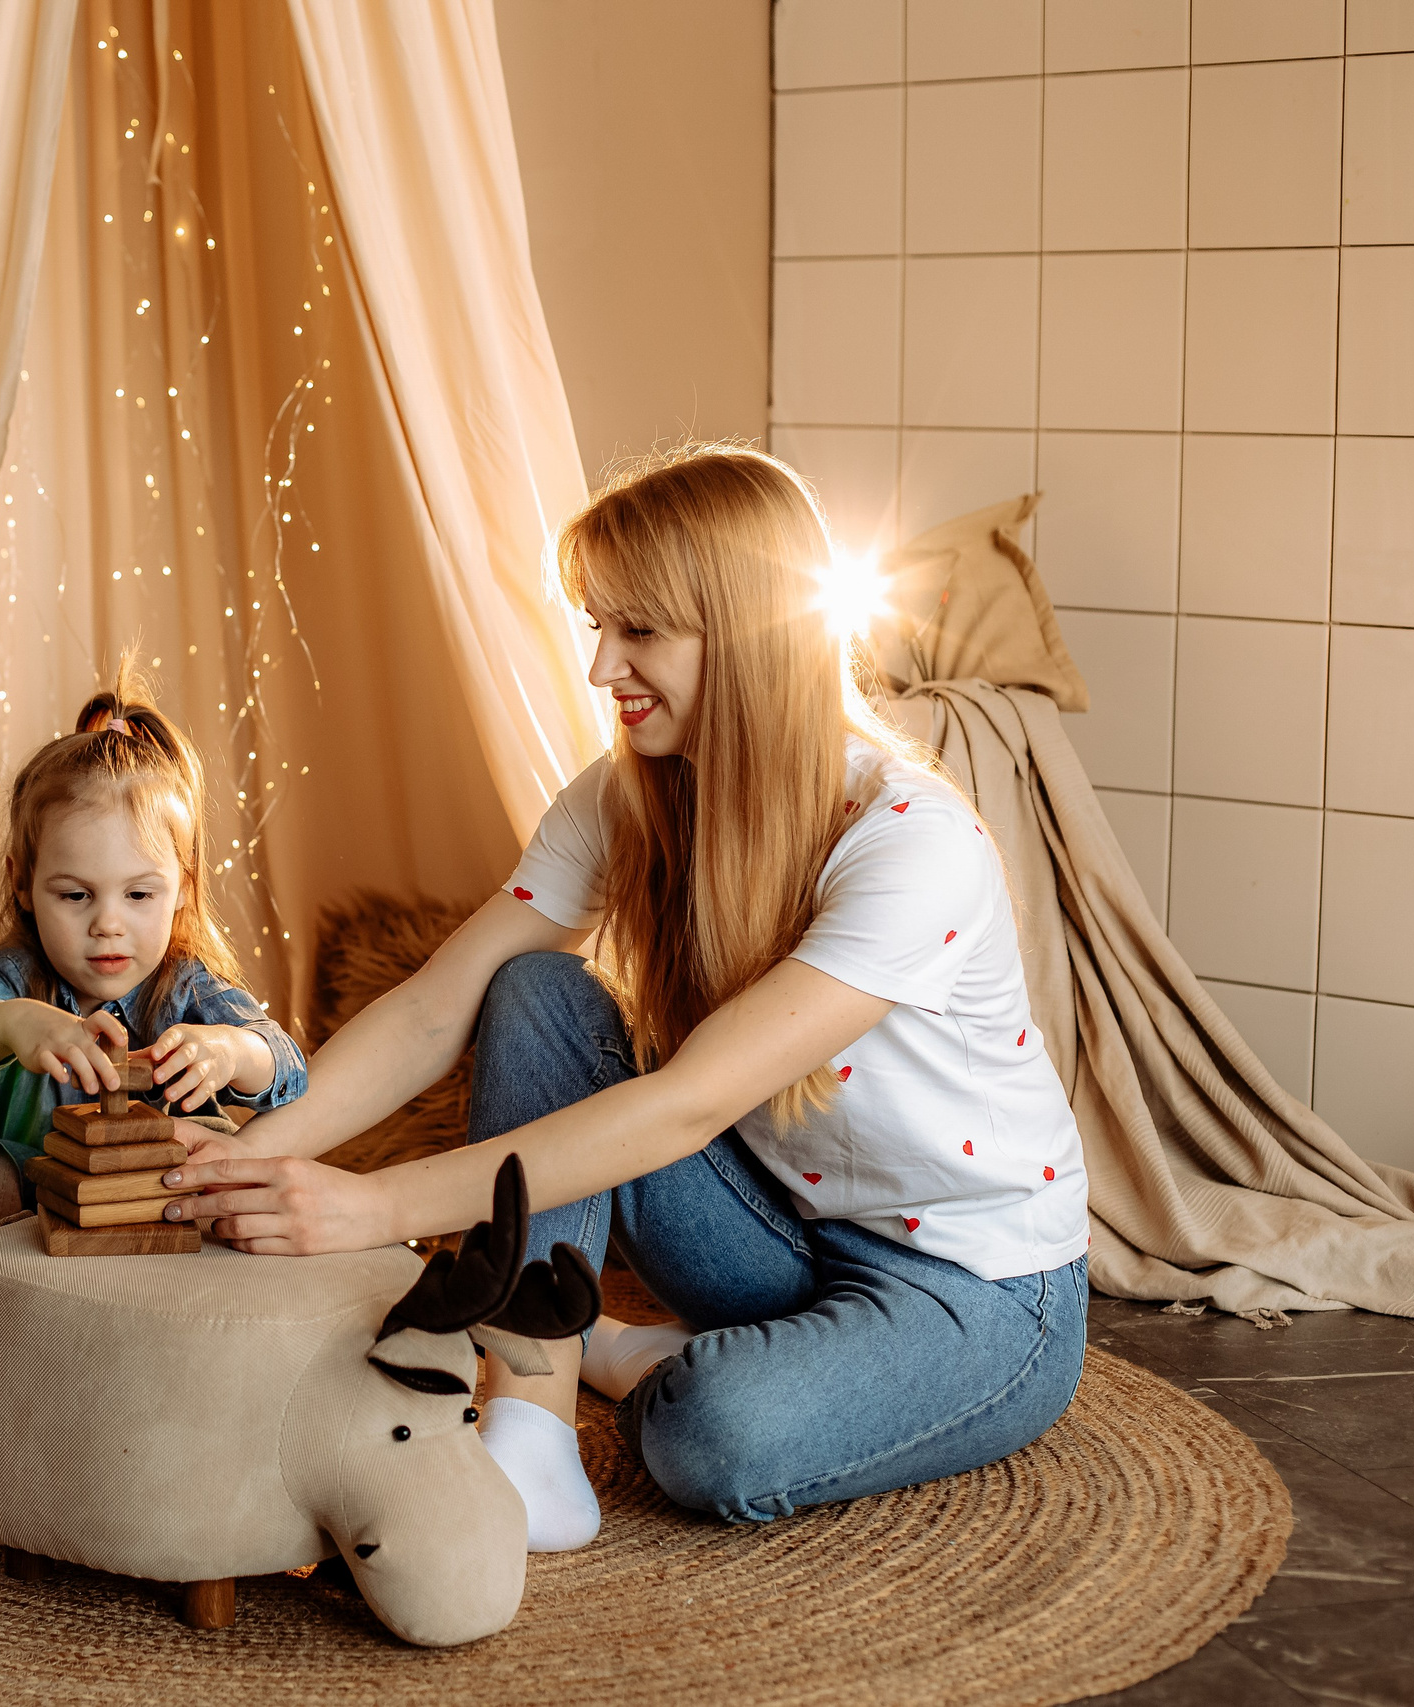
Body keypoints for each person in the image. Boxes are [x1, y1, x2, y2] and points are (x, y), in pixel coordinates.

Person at [159, 444, 1090, 1552]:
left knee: (712, 1436)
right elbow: (434, 1005)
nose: (602, 667)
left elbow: (685, 1103)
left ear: (750, 636)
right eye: (598, 626)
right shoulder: (628, 797)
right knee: (535, 990)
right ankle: (531, 1426)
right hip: (781, 1234)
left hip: (978, 1289)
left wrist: (377, 1207)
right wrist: (260, 1152)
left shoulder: (912, 844)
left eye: (638, 630)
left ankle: (631, 1353)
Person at [0, 659, 307, 1415]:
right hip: (21, 1198)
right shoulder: (17, 979)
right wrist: (15, 1024)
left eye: (139, 894)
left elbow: (287, 1066)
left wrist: (228, 1052)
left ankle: (196, 1394)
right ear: (23, 881)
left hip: (148, 1203)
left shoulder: (184, 986)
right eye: (75, 894)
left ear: (181, 886)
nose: (108, 922)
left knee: (225, 1178)